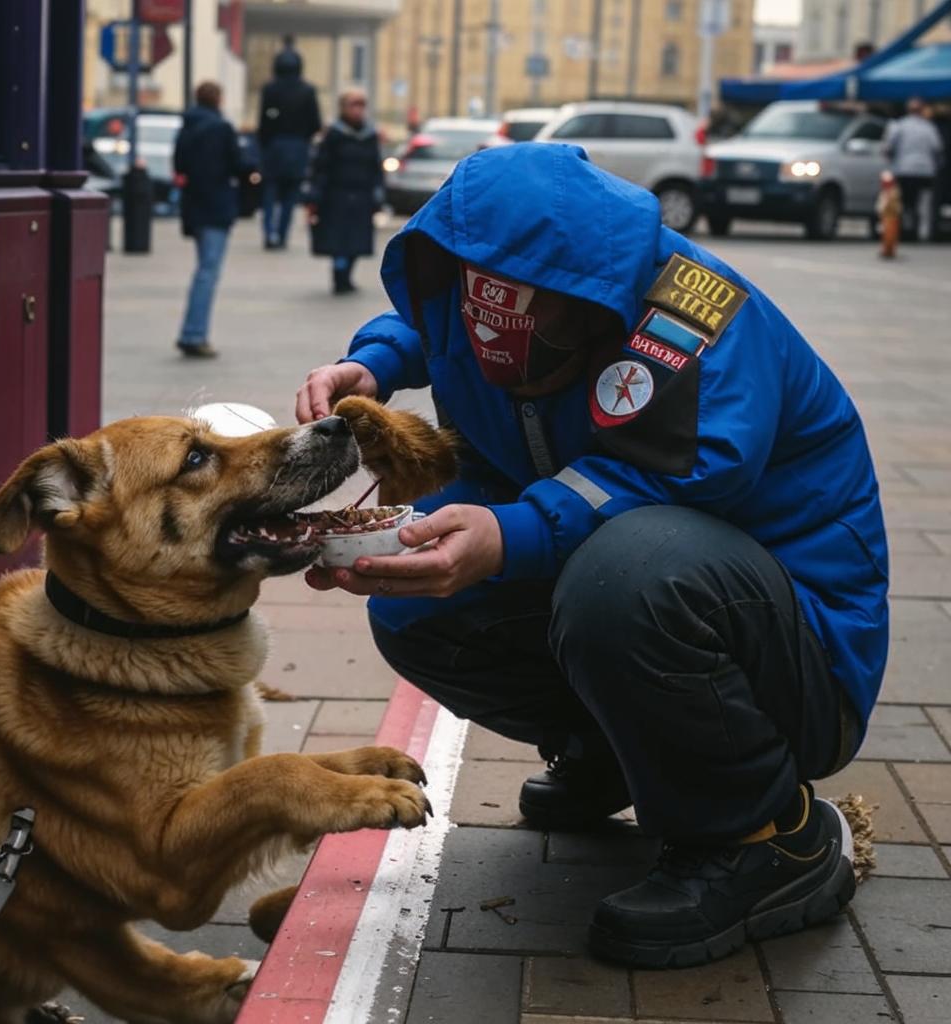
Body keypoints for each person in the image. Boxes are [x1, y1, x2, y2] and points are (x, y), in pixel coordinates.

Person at [294, 144, 889, 969]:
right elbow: (434, 320)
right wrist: (375, 362)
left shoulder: (699, 319)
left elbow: (660, 487)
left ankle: (767, 837)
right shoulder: (472, 287)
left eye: (538, 324)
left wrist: (507, 537)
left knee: (627, 574)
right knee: (414, 600)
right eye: (477, 305)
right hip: (651, 585)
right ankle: (621, 751)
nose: (491, 332)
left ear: (594, 306)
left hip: (801, 654)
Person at [173, 81, 248, 358]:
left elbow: (179, 164)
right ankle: (193, 333)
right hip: (216, 207)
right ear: (218, 99)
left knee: (203, 269)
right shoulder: (221, 128)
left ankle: (193, 332)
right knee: (208, 272)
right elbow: (237, 164)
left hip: (193, 206)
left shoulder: (187, 126)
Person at [304, 89, 384, 295]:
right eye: (353, 105)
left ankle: (347, 274)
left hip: (361, 195)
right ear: (344, 108)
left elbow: (376, 167)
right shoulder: (333, 135)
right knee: (338, 240)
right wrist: (314, 196)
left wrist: (378, 193)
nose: (357, 111)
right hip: (336, 195)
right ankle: (339, 276)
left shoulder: (370, 135)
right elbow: (321, 167)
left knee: (357, 241)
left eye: (361, 106)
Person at [258, 41, 321, 250]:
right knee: (289, 197)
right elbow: (315, 123)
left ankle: (269, 232)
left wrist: (265, 143)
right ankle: (282, 234)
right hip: (297, 147)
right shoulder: (307, 90)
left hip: (274, 148)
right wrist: (303, 138)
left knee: (269, 194)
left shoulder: (270, 89)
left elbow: (264, 122)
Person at [883, 97, 944, 242]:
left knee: (904, 203)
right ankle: (922, 232)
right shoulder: (929, 127)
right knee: (922, 203)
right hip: (925, 171)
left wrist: (890, 160)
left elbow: (888, 147)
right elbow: (937, 149)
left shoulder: (900, 125)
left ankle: (904, 231)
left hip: (904, 170)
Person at [876, 170, 902, 259]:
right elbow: (881, 204)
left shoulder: (894, 192)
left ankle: (890, 251)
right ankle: (886, 250)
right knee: (886, 235)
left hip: (892, 216)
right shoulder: (885, 192)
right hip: (886, 216)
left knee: (891, 235)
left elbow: (895, 205)